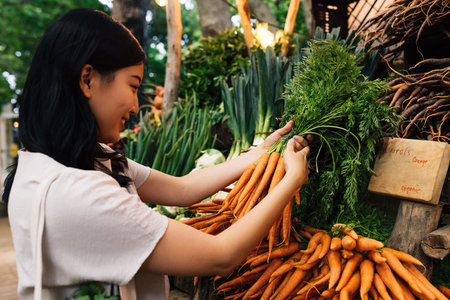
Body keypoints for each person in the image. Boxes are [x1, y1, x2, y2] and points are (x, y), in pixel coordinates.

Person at [2, 8, 310, 300]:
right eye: (133, 86)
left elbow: (182, 188)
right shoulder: (78, 195)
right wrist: (291, 180)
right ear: (87, 79)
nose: (137, 107)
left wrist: (262, 151)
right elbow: (221, 257)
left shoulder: (73, 163)